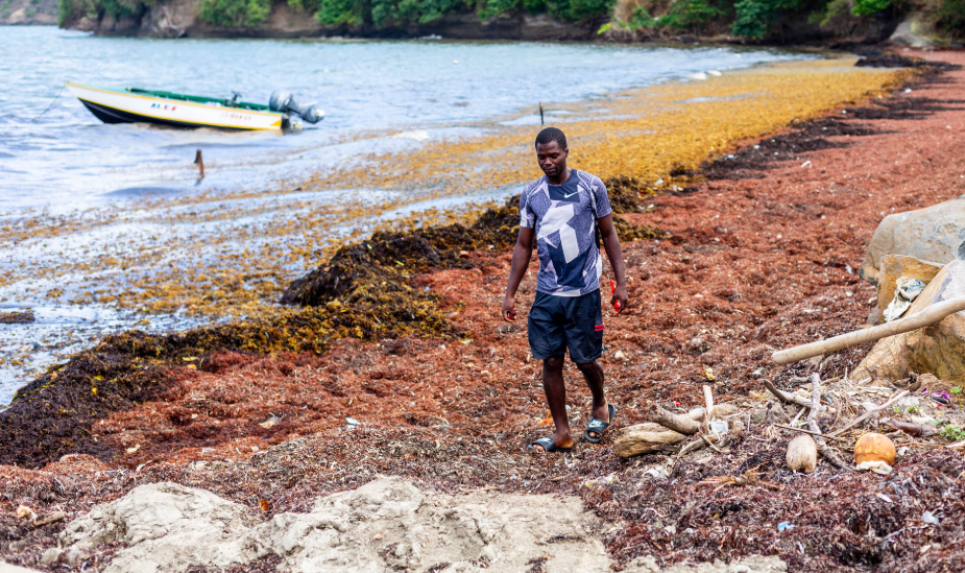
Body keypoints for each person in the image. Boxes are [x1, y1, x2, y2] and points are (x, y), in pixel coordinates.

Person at [502, 127, 628, 453]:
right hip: (547, 294)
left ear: (566, 152)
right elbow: (523, 245)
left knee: (586, 361)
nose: (547, 162)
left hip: (584, 293)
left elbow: (609, 234)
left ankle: (600, 404)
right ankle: (562, 433)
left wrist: (621, 283)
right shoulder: (532, 195)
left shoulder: (591, 186)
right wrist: (510, 293)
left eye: (553, 155)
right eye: (541, 156)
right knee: (551, 361)